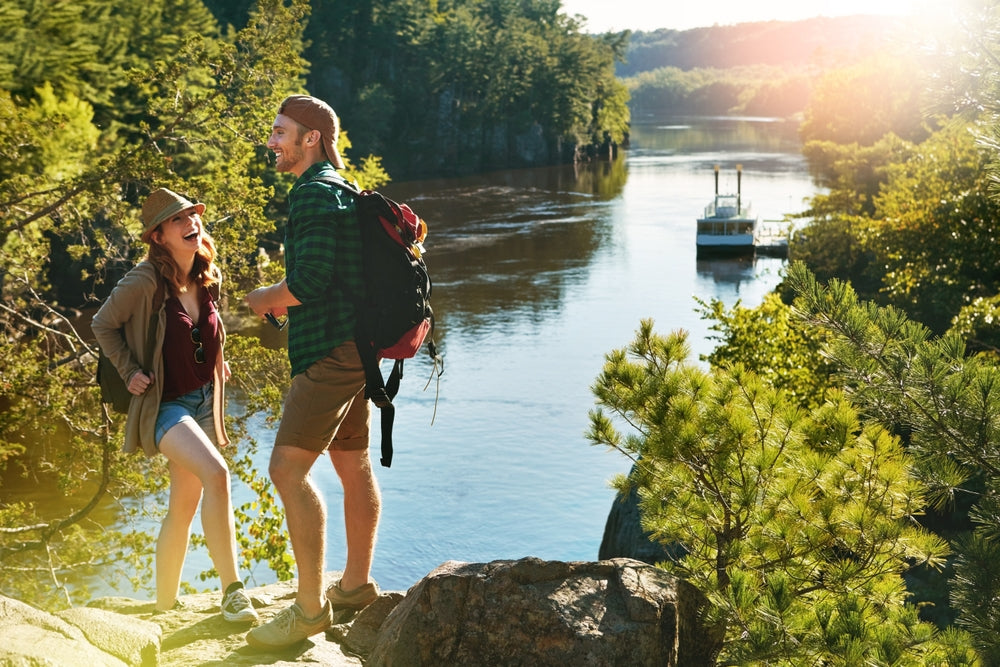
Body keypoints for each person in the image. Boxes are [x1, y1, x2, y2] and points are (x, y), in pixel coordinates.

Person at [244, 95, 381, 650]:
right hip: (359, 349)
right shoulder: (344, 191)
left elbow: (311, 282)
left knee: (286, 470)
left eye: (281, 132)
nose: (272, 141)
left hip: (329, 353)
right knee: (351, 462)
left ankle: (308, 610)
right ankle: (355, 588)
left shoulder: (315, 194)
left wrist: (262, 299)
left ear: (312, 138)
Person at [92, 188, 258, 624]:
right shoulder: (144, 281)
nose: (191, 223)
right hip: (165, 404)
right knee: (217, 475)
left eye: (192, 215)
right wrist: (129, 371)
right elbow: (102, 324)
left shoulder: (206, 272)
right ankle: (233, 592)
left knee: (183, 504)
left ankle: (164, 607)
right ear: (159, 236)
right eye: (178, 219)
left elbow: (207, 326)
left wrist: (219, 358)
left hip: (203, 398)